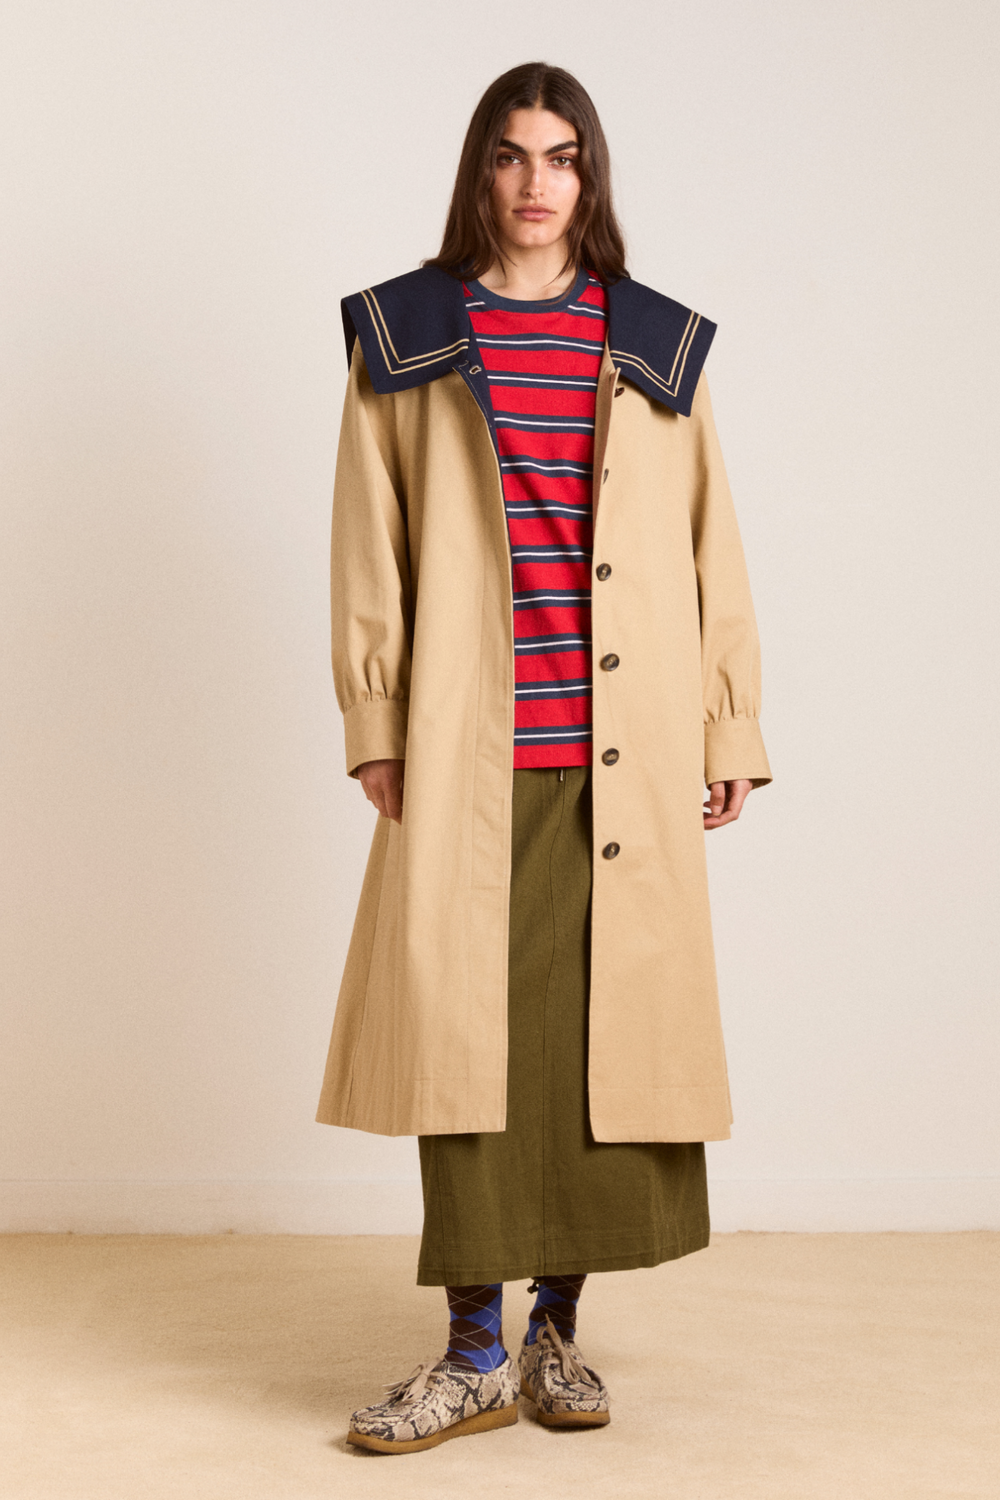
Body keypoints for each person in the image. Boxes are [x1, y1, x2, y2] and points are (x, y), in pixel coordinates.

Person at [316, 60, 771, 1454]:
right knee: (467, 1053)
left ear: (590, 176)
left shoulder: (654, 344)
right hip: (469, 750)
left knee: (598, 1055)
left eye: (561, 157)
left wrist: (729, 723)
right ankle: (470, 1352)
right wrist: (378, 721)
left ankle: (553, 1336)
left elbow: (712, 545)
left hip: (623, 755)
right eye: (511, 156)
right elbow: (369, 543)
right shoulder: (406, 336)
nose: (535, 183)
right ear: (480, 170)